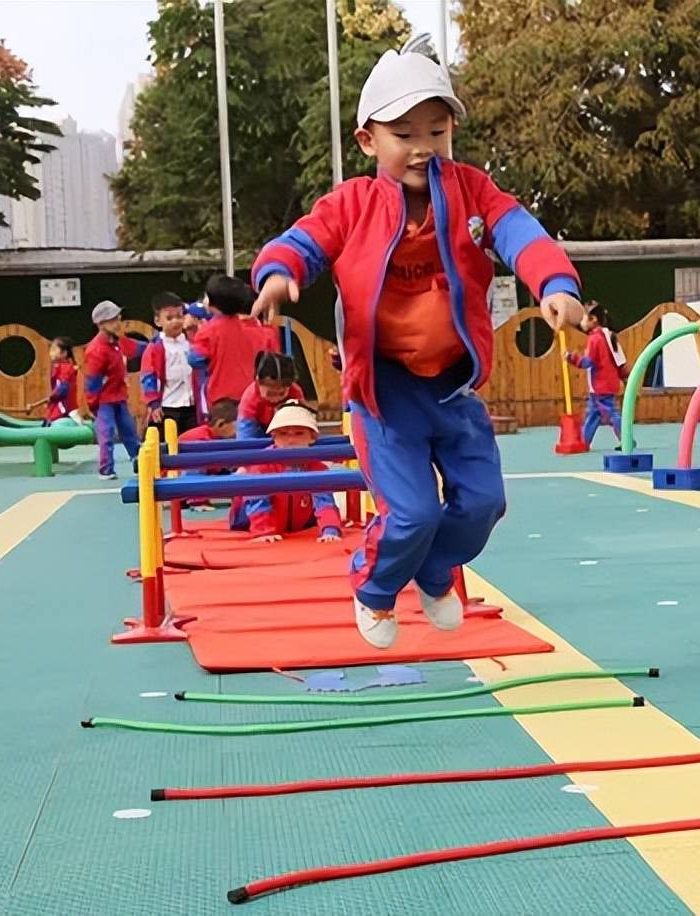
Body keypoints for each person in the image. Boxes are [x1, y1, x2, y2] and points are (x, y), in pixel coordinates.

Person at [249, 34, 585, 648]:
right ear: (368, 140)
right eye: (405, 135)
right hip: (384, 390)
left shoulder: (472, 193)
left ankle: (435, 569)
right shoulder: (352, 204)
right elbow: (304, 240)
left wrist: (555, 282)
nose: (424, 148)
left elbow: (522, 233)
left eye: (437, 132)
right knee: (412, 513)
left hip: (453, 382)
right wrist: (278, 273)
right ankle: (375, 589)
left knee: (483, 503)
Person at [229, 402, 342, 544]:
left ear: (312, 437)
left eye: (299, 433)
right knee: (250, 490)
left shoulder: (317, 467)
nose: (291, 440)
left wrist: (330, 530)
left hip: (298, 525)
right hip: (248, 523)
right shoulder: (261, 464)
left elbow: (325, 503)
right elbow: (257, 502)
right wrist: (263, 531)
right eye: (283, 434)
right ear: (273, 437)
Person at [190, 274, 273, 410]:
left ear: (212, 303)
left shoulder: (208, 330)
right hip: (249, 393)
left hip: (221, 396)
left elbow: (195, 359)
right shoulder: (246, 328)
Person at [83, 300, 142, 480]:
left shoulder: (117, 342)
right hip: (103, 400)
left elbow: (135, 348)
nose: (118, 321)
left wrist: (156, 344)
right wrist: (93, 404)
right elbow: (91, 381)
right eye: (113, 319)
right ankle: (106, 469)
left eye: (118, 317)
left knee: (129, 430)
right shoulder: (96, 350)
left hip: (119, 396)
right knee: (106, 433)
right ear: (101, 324)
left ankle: (139, 461)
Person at [565, 301, 628, 449]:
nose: (582, 322)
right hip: (606, 384)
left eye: (584, 318)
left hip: (601, 386)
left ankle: (626, 439)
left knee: (611, 414)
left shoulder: (595, 339)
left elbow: (588, 362)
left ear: (593, 320)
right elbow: (619, 360)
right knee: (593, 414)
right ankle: (583, 442)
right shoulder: (608, 335)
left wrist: (571, 358)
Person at [141, 292, 202, 437]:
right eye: (169, 318)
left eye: (179, 316)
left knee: (191, 442)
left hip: (191, 405)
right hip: (168, 406)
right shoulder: (155, 347)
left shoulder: (192, 342)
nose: (175, 322)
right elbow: (148, 376)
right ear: (157, 321)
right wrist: (153, 403)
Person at [238, 352, 305, 439]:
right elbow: (246, 438)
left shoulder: (295, 393)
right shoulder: (250, 399)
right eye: (270, 394)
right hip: (257, 427)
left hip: (287, 427)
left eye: (281, 393)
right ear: (258, 382)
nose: (275, 399)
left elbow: (302, 426)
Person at [24, 337, 79, 425]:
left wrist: (50, 398)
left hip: (65, 407)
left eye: (54, 350)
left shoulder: (66, 368)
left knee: (52, 421)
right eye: (50, 350)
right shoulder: (59, 367)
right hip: (57, 405)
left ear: (64, 353)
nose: (51, 353)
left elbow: (62, 390)